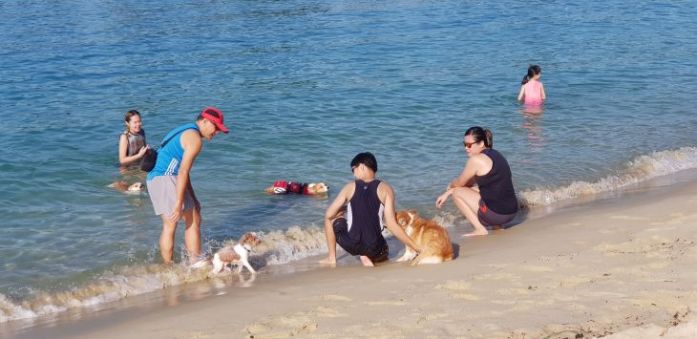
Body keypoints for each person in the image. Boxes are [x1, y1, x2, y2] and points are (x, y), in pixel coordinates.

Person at [146, 107, 229, 265]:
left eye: (219, 129)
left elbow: (183, 171)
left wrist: (194, 199)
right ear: (204, 121)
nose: (217, 132)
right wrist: (178, 204)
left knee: (194, 217)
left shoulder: (186, 129)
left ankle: (192, 261)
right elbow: (182, 171)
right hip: (164, 178)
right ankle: (174, 266)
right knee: (172, 223)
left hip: (159, 178)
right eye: (215, 127)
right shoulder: (195, 140)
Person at [320, 152, 422, 267]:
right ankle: (367, 254)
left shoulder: (349, 187)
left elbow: (328, 214)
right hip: (377, 251)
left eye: (353, 169)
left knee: (332, 219)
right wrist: (416, 247)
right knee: (380, 244)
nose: (353, 174)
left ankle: (332, 258)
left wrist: (343, 209)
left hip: (353, 246)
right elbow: (392, 224)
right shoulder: (386, 189)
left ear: (362, 166)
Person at [436, 127, 518, 237]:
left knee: (457, 194)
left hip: (498, 215)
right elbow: (468, 185)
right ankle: (497, 226)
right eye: (464, 144)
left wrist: (450, 188)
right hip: (512, 211)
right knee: (473, 189)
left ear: (481, 143)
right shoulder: (496, 154)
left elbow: (459, 184)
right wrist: (450, 191)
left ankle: (480, 229)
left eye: (469, 145)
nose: (466, 148)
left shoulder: (476, 160)